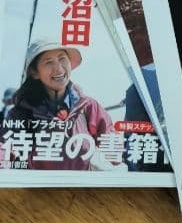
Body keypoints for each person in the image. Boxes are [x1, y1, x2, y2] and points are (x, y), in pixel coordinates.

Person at [2, 38, 119, 171]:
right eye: (48, 62)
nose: (58, 68)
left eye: (62, 58)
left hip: (82, 184)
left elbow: (116, 151)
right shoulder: (21, 113)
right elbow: (4, 150)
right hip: (39, 185)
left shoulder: (88, 107)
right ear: (35, 73)